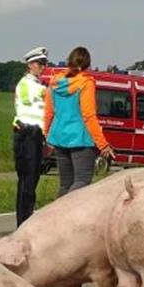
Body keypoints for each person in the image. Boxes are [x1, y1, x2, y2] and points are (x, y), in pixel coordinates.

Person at [43, 46, 116, 197]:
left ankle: (57, 215)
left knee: (65, 184)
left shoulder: (55, 82)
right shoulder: (86, 83)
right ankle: (66, 212)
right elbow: (89, 115)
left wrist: (46, 134)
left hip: (59, 137)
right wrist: (103, 144)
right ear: (87, 65)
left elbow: (49, 111)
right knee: (82, 181)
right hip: (81, 139)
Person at [12, 46, 49, 227]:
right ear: (30, 64)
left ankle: (26, 217)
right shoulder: (27, 84)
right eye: (40, 63)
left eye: (45, 63)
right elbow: (43, 94)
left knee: (32, 179)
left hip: (35, 136)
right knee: (27, 180)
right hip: (27, 134)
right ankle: (24, 220)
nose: (43, 66)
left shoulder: (37, 84)